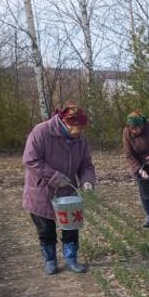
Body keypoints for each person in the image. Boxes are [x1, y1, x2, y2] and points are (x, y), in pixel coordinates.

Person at [22, 104, 96, 274]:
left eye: (82, 128)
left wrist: (87, 181)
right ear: (66, 123)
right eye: (78, 128)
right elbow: (30, 160)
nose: (80, 132)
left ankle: (71, 259)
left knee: (71, 227)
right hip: (41, 192)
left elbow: (86, 165)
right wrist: (54, 176)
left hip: (67, 193)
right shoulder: (41, 132)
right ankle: (50, 260)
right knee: (46, 230)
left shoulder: (80, 140)